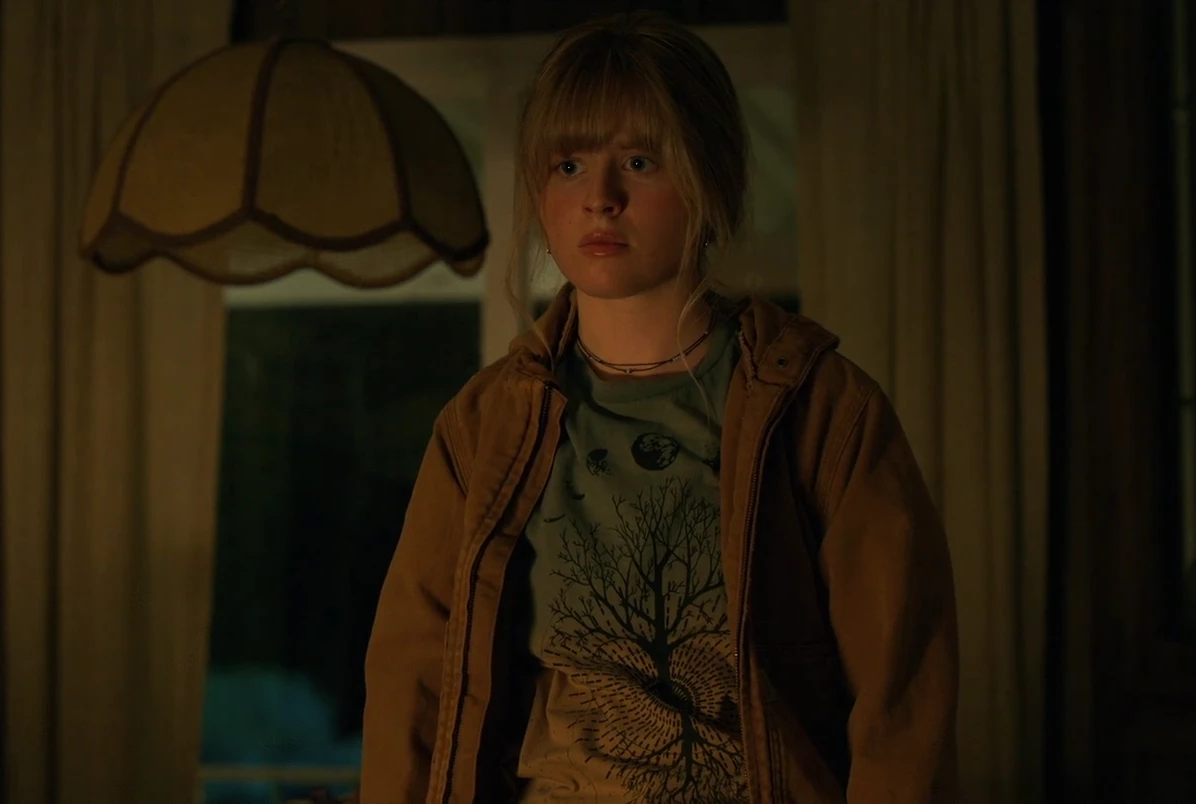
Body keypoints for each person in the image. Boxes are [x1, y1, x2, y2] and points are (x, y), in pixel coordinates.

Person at [358, 13, 958, 804]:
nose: (600, 199)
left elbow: (902, 702)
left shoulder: (821, 410)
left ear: (711, 178)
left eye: (639, 162)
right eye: (569, 164)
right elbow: (415, 682)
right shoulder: (486, 425)